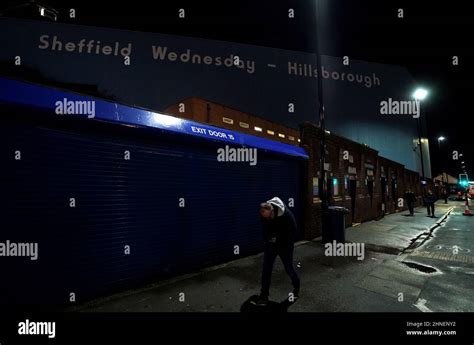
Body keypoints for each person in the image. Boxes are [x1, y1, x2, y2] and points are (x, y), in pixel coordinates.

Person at [253, 197, 300, 306]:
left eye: (268, 217)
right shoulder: (264, 214)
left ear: (272, 211)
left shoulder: (286, 216)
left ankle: (296, 286)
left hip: (285, 246)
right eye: (264, 217)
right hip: (271, 245)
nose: (267, 219)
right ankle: (264, 295)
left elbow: (293, 231)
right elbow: (264, 229)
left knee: (289, 268)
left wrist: (279, 239)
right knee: (266, 269)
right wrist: (267, 239)